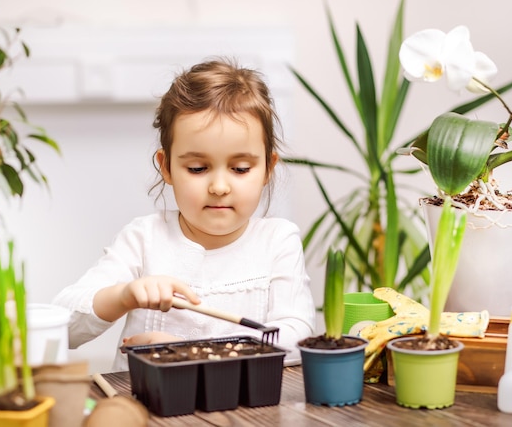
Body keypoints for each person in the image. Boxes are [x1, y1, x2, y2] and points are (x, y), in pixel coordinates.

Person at [53, 57, 316, 370]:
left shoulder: (278, 241)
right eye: (197, 168)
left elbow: (296, 339)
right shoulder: (143, 239)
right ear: (166, 167)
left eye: (240, 168)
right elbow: (63, 328)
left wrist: (188, 351)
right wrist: (124, 296)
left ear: (267, 169)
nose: (219, 186)